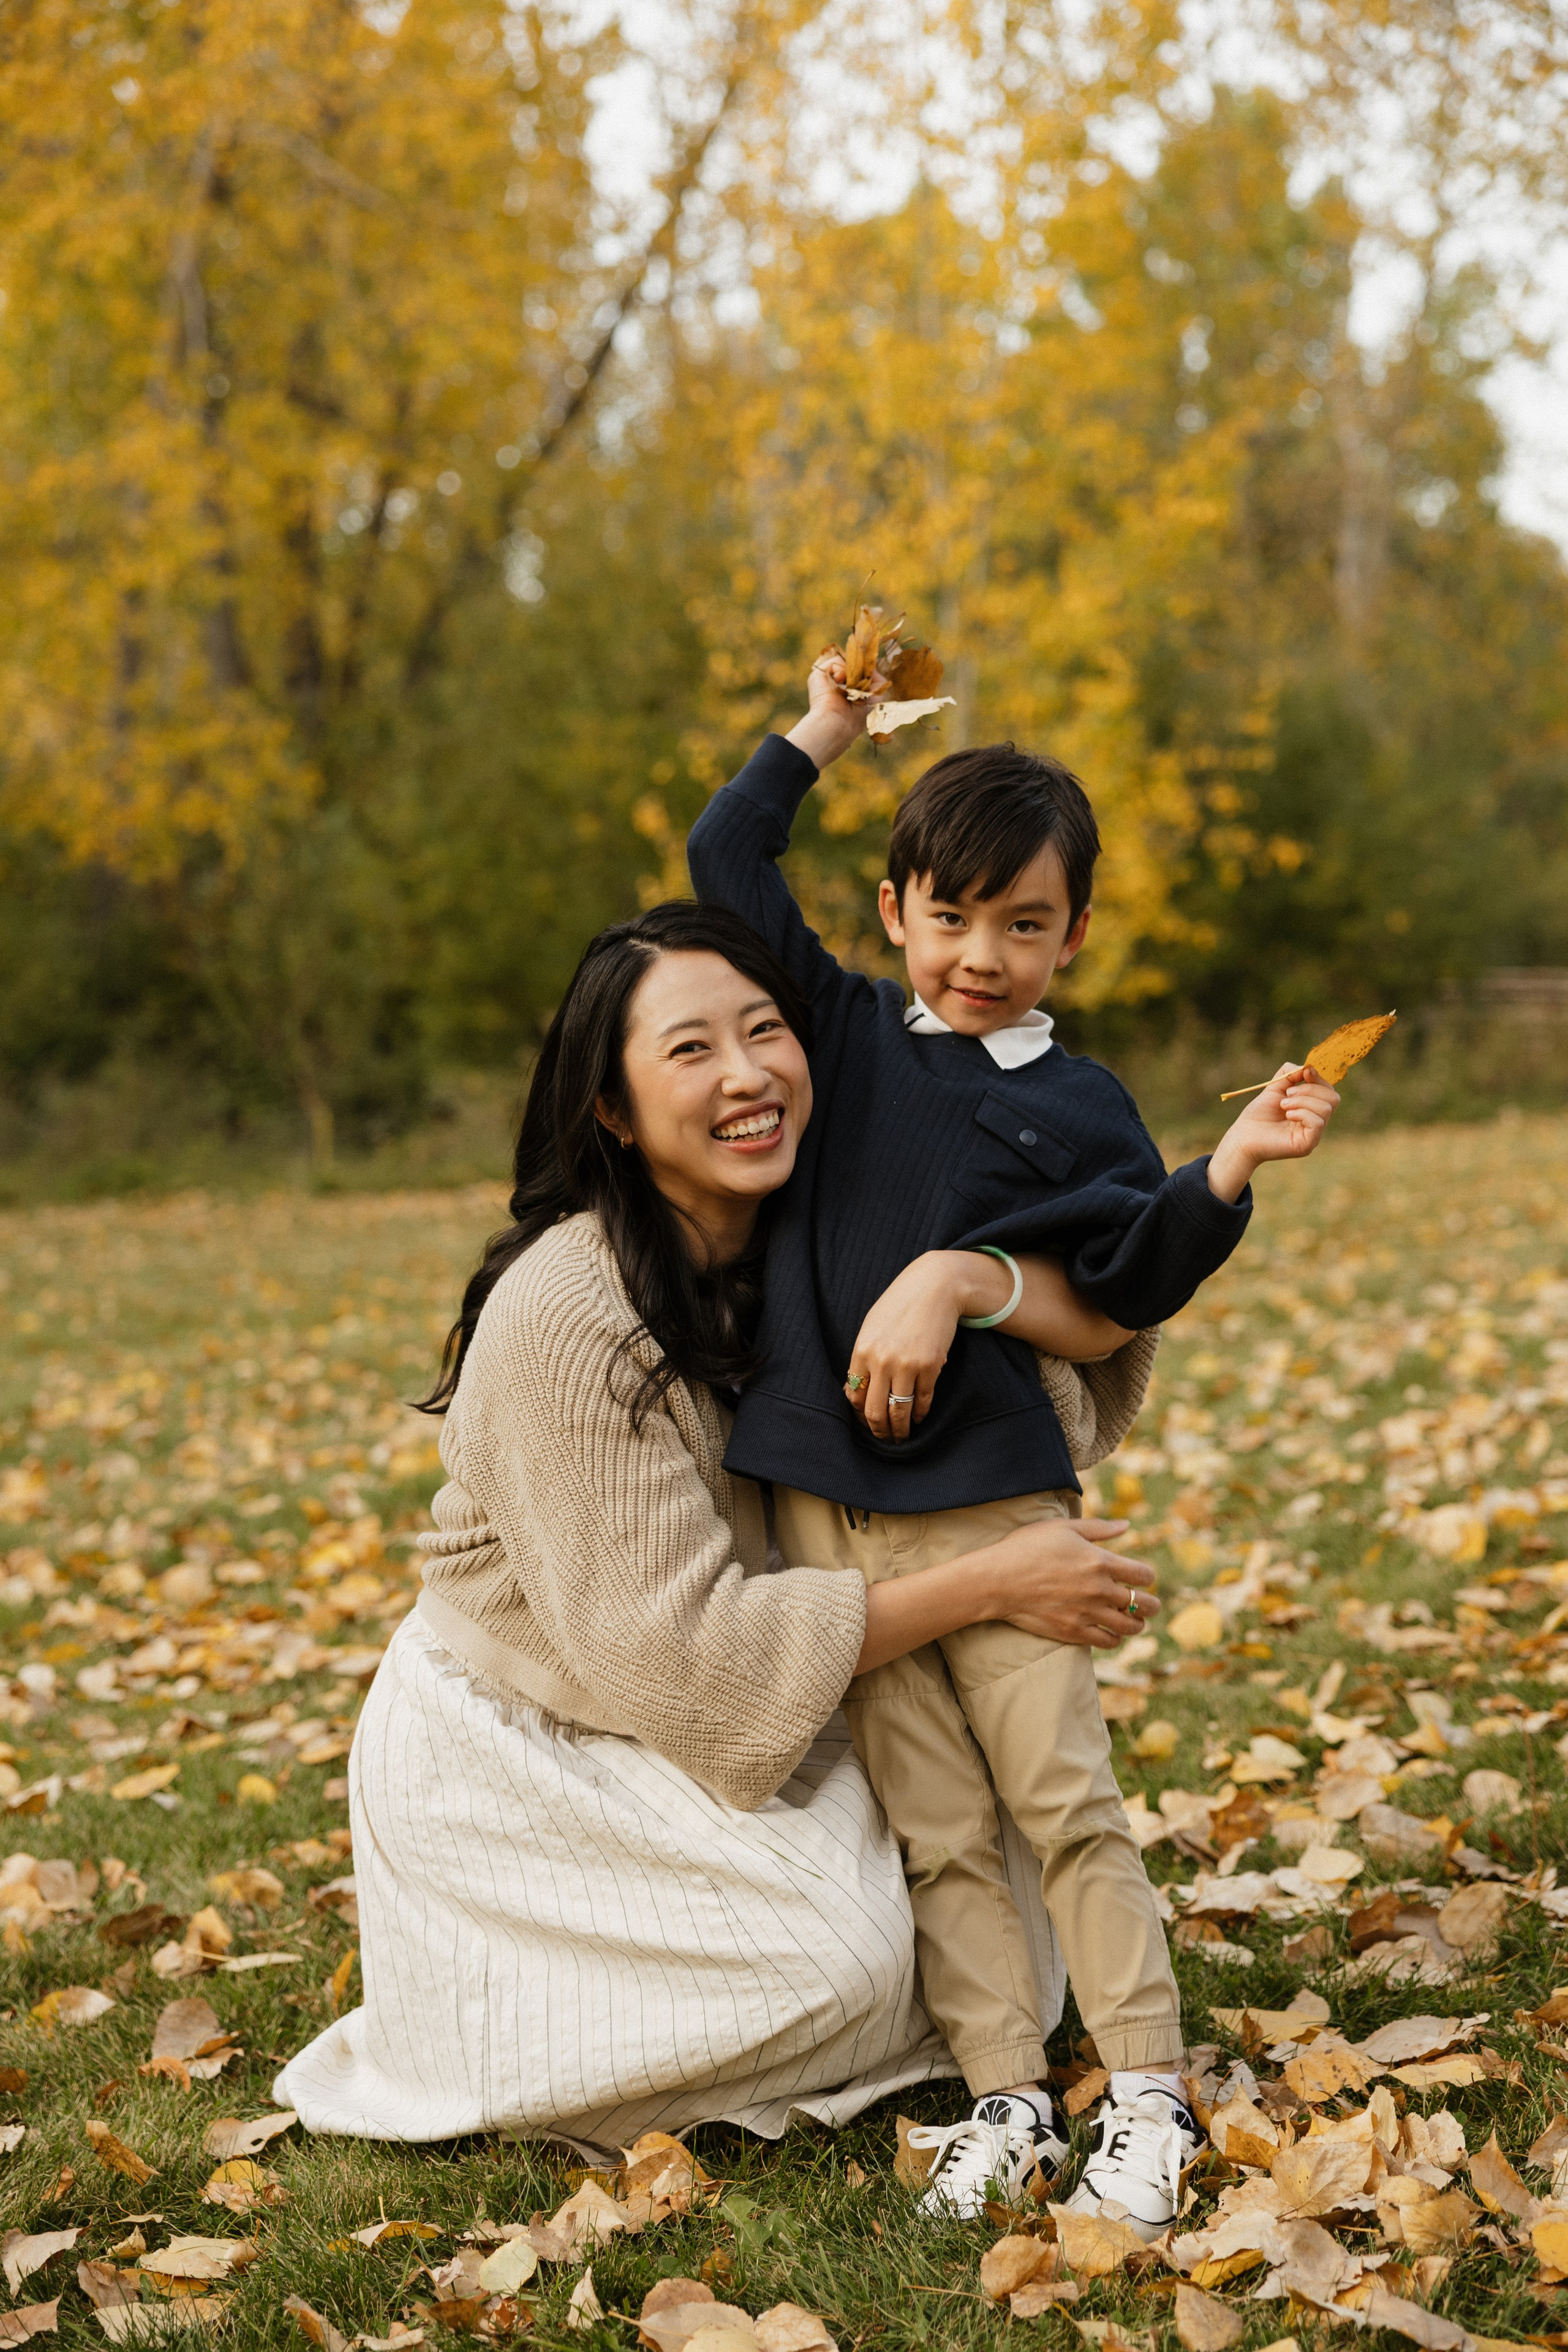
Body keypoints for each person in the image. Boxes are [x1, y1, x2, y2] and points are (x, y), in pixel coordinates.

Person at [274, 900, 1160, 2152]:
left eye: (765, 1031)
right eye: (690, 1051)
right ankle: (514, 2015)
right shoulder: (567, 1315)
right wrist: (992, 1583)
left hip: (761, 1690)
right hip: (537, 1741)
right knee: (848, 1965)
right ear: (614, 1111)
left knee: (1006, 1889)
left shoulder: (828, 1233)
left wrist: (962, 1283)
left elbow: (1067, 1386)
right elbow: (674, 1659)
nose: (747, 1075)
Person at [687, 661, 1341, 2232]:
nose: (983, 956)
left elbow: (1128, 1279)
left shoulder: (1084, 1105)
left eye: (1024, 925)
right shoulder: (835, 1037)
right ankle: (999, 2090)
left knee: (1060, 1801)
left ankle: (1143, 2089)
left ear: (1073, 935)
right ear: (897, 909)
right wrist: (829, 721)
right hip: (821, 1510)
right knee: (935, 1825)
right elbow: (726, 858)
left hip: (987, 1512)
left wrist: (1227, 1163)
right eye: (953, 916)